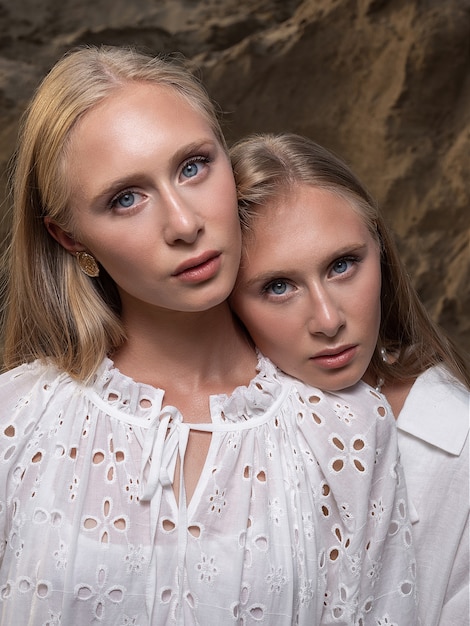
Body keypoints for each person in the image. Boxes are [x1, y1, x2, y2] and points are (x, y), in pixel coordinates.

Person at [0, 45, 418, 626]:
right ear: (71, 239)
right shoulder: (16, 421)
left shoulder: (346, 428)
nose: (184, 223)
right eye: (126, 199)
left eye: (193, 167)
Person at [230, 132, 470, 626]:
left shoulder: (456, 444)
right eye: (278, 286)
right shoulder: (201, 434)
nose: (327, 319)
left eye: (342, 265)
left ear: (379, 249)